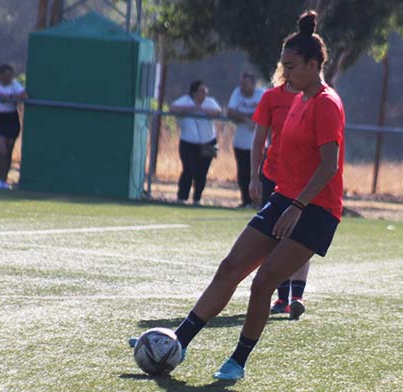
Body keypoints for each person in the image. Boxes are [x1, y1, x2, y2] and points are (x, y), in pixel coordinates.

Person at [145, 10, 345, 380]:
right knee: (230, 268)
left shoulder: (327, 103)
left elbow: (328, 166)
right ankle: (179, 342)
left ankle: (237, 360)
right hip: (286, 198)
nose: (285, 73)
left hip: (316, 210)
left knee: (264, 281)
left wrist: (297, 206)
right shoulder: (298, 98)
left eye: (292, 66)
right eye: (282, 66)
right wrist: (269, 187)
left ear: (315, 63)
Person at [250, 63, 310, 319]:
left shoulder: (313, 100)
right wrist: (254, 176)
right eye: (287, 65)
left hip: (304, 181)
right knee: (273, 237)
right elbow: (259, 139)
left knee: (302, 239)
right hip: (273, 177)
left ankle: (296, 296)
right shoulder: (271, 98)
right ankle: (282, 297)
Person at [170, 81, 223, 205]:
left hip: (209, 141)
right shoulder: (185, 100)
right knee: (188, 170)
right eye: (200, 91)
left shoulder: (210, 102)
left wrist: (201, 109)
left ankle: (197, 198)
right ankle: (182, 197)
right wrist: (191, 109)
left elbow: (218, 112)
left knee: (202, 171)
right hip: (188, 142)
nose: (203, 94)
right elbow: (173, 108)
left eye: (205, 91)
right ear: (194, 92)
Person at [227, 71, 264, 208]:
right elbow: (230, 112)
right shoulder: (237, 93)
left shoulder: (261, 94)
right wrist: (246, 118)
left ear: (253, 84)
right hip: (240, 143)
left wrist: (252, 117)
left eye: (245, 83)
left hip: (258, 144)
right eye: (241, 83)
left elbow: (264, 113)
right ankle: (246, 201)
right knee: (243, 174)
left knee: (259, 174)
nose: (242, 86)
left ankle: (259, 201)